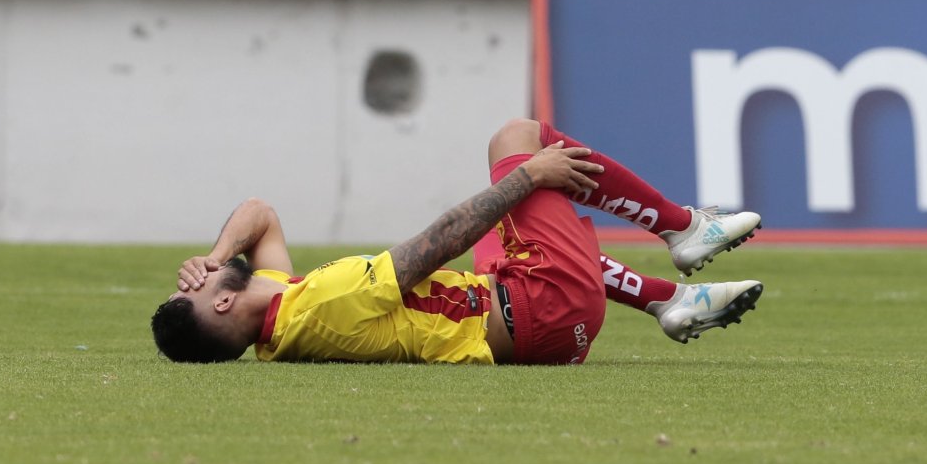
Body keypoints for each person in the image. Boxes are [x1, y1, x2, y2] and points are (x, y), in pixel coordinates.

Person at [151, 118, 763, 364]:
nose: (196, 276)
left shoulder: (279, 318)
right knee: (516, 139)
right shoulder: (321, 304)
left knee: (499, 228)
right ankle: (681, 227)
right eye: (199, 288)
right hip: (543, 308)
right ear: (223, 304)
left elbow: (260, 213)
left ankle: (666, 300)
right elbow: (435, 244)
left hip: (533, 325)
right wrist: (531, 174)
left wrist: (212, 256)